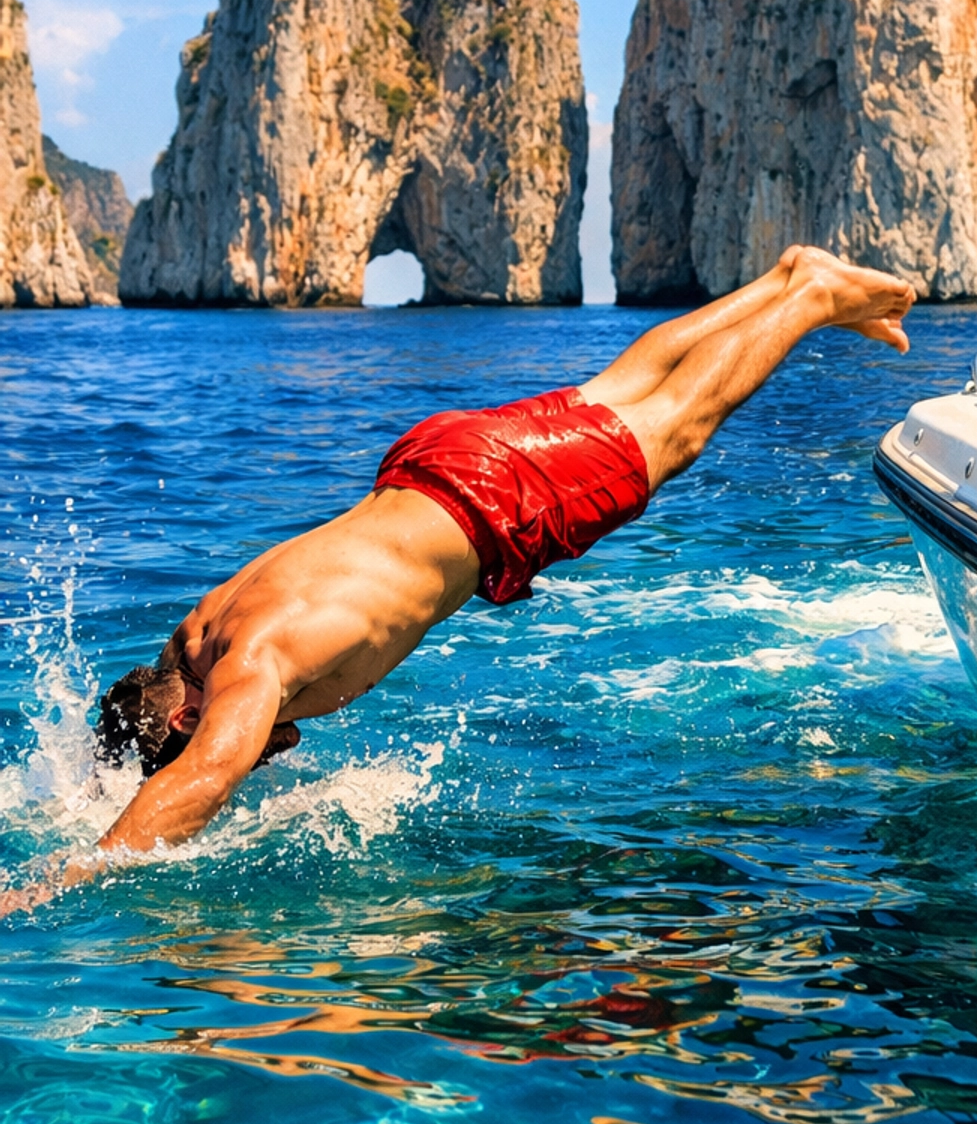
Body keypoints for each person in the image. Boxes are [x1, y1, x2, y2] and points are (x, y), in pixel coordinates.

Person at [3, 248, 915, 910]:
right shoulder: (207, 624)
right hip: (430, 460)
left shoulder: (245, 669)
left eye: (260, 741)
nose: (270, 750)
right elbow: (153, 732)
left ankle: (809, 300)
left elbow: (202, 774)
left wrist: (67, 877)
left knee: (676, 426)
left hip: (492, 505)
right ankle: (783, 277)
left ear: (188, 714)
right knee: (623, 385)